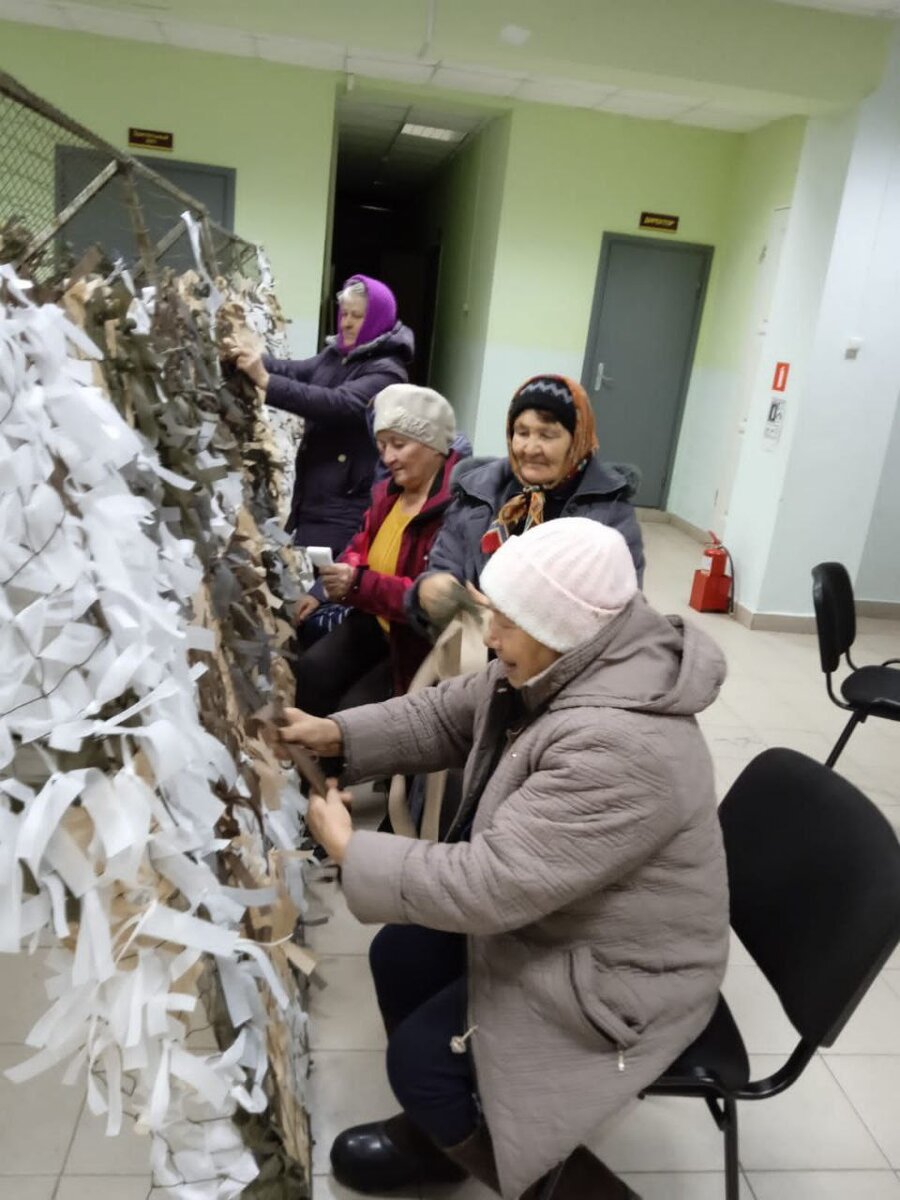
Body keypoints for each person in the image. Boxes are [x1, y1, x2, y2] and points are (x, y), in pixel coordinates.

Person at [281, 519, 729, 1200]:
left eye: (506, 623)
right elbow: (443, 716)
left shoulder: (621, 745)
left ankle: (557, 1178)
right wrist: (334, 733)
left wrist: (351, 848)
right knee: (400, 952)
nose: (489, 639)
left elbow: (492, 884)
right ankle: (448, 1133)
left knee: (424, 1062)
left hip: (625, 973)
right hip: (567, 920)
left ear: (562, 625)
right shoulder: (563, 661)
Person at [408, 373, 645, 634]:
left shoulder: (610, 513)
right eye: (522, 433)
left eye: (547, 435)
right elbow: (443, 567)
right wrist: (431, 590)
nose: (530, 448)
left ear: (578, 439)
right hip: (476, 656)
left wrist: (518, 621)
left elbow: (620, 615)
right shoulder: (478, 495)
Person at [293, 384, 465, 717]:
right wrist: (324, 589)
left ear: (433, 445)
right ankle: (318, 766)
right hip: (375, 619)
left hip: (417, 641)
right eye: (383, 445)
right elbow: (361, 545)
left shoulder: (455, 510)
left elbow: (431, 596)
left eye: (399, 445)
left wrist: (357, 583)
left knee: (354, 715)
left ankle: (339, 768)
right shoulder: (388, 495)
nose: (387, 458)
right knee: (312, 672)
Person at [229, 274, 415, 558]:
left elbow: (337, 404)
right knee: (315, 588)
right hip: (315, 498)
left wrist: (266, 381)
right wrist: (247, 359)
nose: (347, 322)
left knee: (330, 589)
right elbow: (296, 371)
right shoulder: (337, 354)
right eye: (345, 314)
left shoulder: (386, 371)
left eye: (357, 316)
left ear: (377, 319)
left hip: (345, 506)